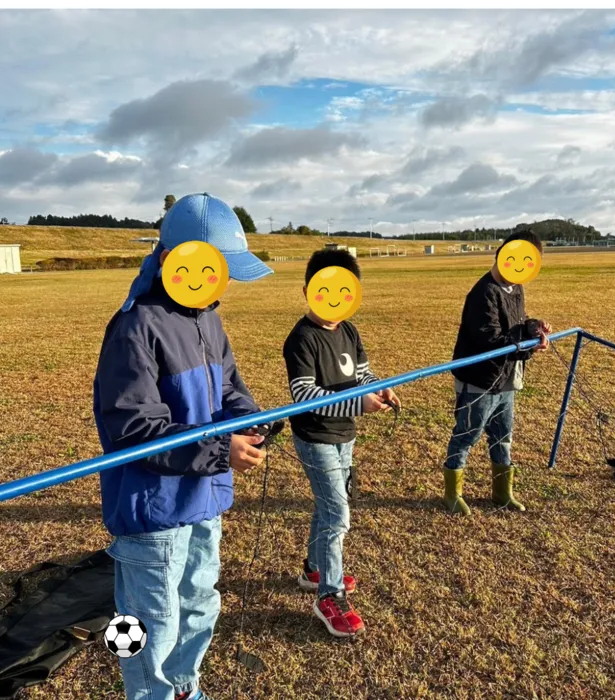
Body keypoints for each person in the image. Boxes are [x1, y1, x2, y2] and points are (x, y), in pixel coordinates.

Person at [93, 193, 273, 700]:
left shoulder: (207, 319)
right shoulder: (136, 327)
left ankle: (182, 688)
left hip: (204, 499)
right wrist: (221, 451)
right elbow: (135, 428)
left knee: (199, 603)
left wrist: (250, 423)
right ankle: (146, 694)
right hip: (153, 512)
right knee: (145, 625)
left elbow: (233, 388)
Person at [283, 249, 400, 638]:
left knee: (328, 504)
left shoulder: (349, 330)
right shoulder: (301, 339)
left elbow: (364, 375)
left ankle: (314, 571)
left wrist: (381, 391)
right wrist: (361, 403)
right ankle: (328, 595)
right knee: (338, 514)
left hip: (344, 435)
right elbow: (304, 394)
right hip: (314, 437)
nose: (335, 299)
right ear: (307, 290)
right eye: (325, 289)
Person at [443, 229, 552, 516]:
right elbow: (490, 341)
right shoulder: (483, 293)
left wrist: (533, 328)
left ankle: (502, 493)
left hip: (506, 380)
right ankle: (452, 493)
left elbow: (516, 324)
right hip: (479, 380)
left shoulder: (515, 288)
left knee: (503, 436)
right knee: (467, 434)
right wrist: (529, 347)